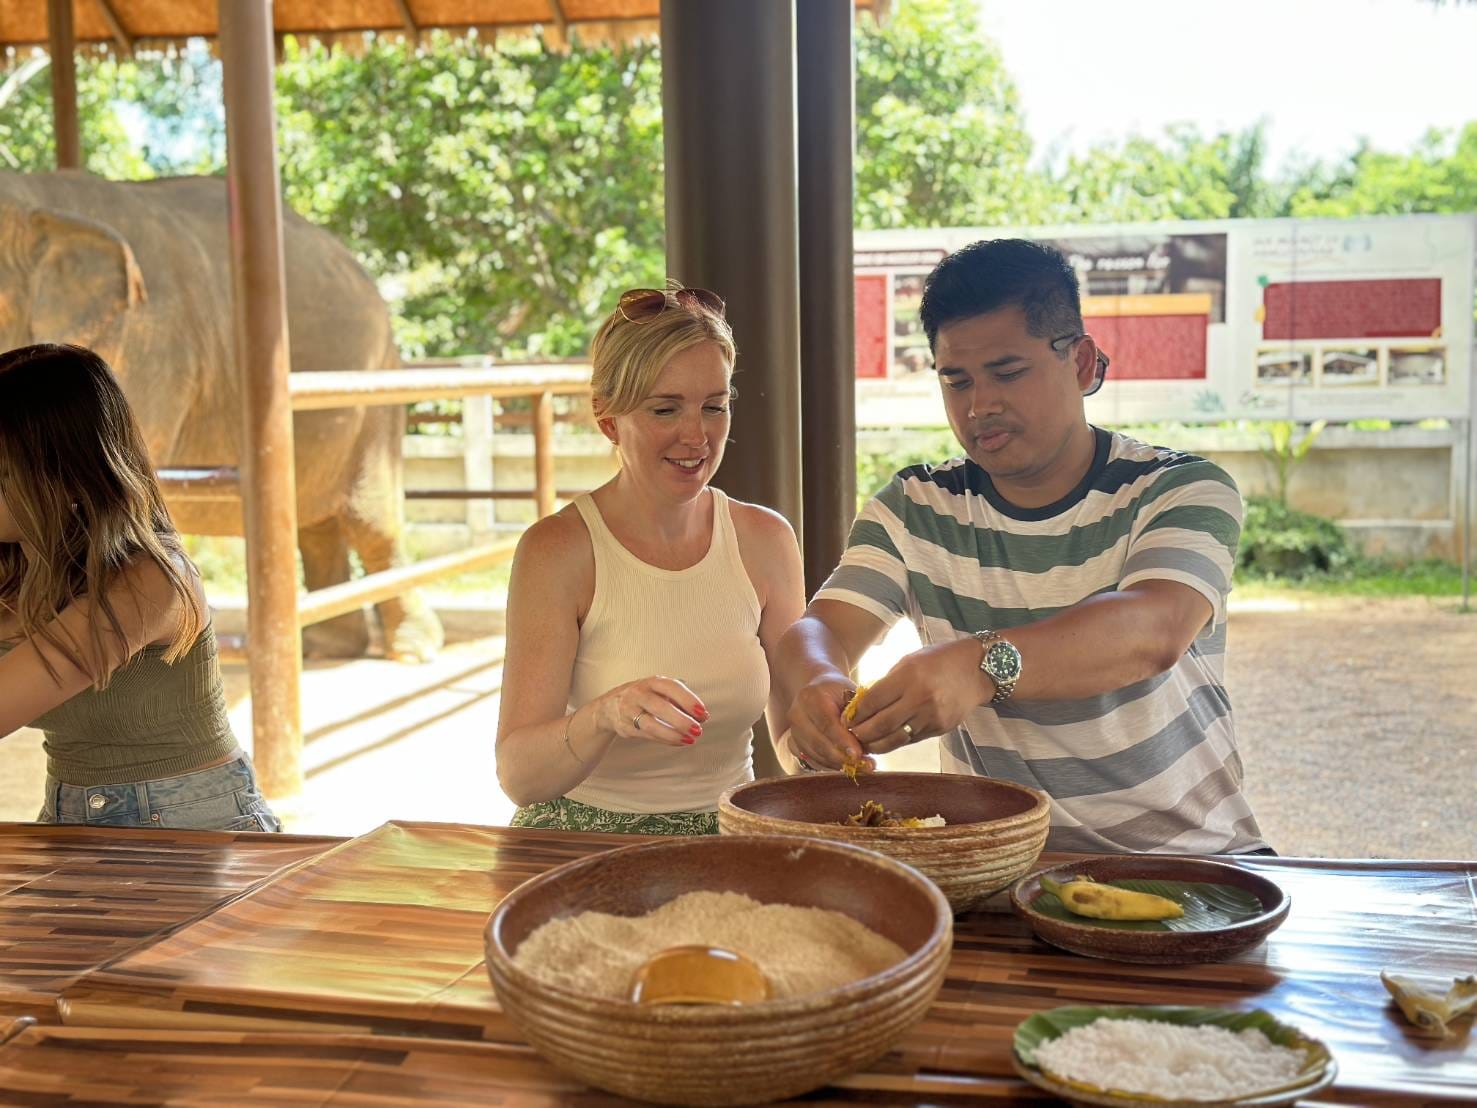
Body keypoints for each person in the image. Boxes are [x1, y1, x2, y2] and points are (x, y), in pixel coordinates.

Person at [778, 240, 1268, 855]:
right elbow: (817, 627)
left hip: (1188, 862)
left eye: (1008, 373)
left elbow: (1155, 627)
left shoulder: (1180, 489)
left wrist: (979, 665)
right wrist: (818, 683)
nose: (980, 406)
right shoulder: (915, 507)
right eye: (956, 381)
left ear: (1083, 363)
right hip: (996, 867)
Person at [495, 285, 805, 834]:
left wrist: (840, 738)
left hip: (728, 834)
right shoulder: (558, 551)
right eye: (666, 409)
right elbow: (519, 775)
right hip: (580, 838)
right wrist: (606, 715)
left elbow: (792, 738)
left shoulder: (766, 539)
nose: (697, 435)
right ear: (608, 419)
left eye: (715, 406)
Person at [0, 344, 279, 831]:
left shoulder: (149, 580)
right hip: (70, 817)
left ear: (69, 473)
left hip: (193, 826)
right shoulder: (15, 572)